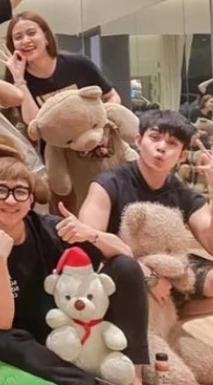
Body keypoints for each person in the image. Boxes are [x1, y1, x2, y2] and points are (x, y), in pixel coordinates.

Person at [0, 156, 151, 385]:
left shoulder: (50, 228)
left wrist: (90, 234)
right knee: (1, 340)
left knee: (126, 267)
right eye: (0, 190)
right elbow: (2, 321)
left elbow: (126, 255)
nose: (11, 200)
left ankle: (134, 379)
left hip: (74, 321)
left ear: (30, 200)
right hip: (28, 338)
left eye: (20, 192)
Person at [79, 109, 213, 304]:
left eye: (172, 143)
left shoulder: (183, 193)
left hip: (165, 264)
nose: (161, 147)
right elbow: (88, 240)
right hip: (118, 265)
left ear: (182, 155)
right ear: (139, 141)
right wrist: (148, 276)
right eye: (154, 137)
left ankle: (170, 316)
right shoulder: (108, 183)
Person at [1, 11, 121, 125]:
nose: (25, 40)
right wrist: (19, 80)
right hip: (51, 140)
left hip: (92, 135)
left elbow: (112, 96)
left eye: (32, 33)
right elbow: (34, 122)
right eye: (18, 37)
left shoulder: (78, 63)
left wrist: (103, 122)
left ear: (46, 37)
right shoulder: (17, 80)